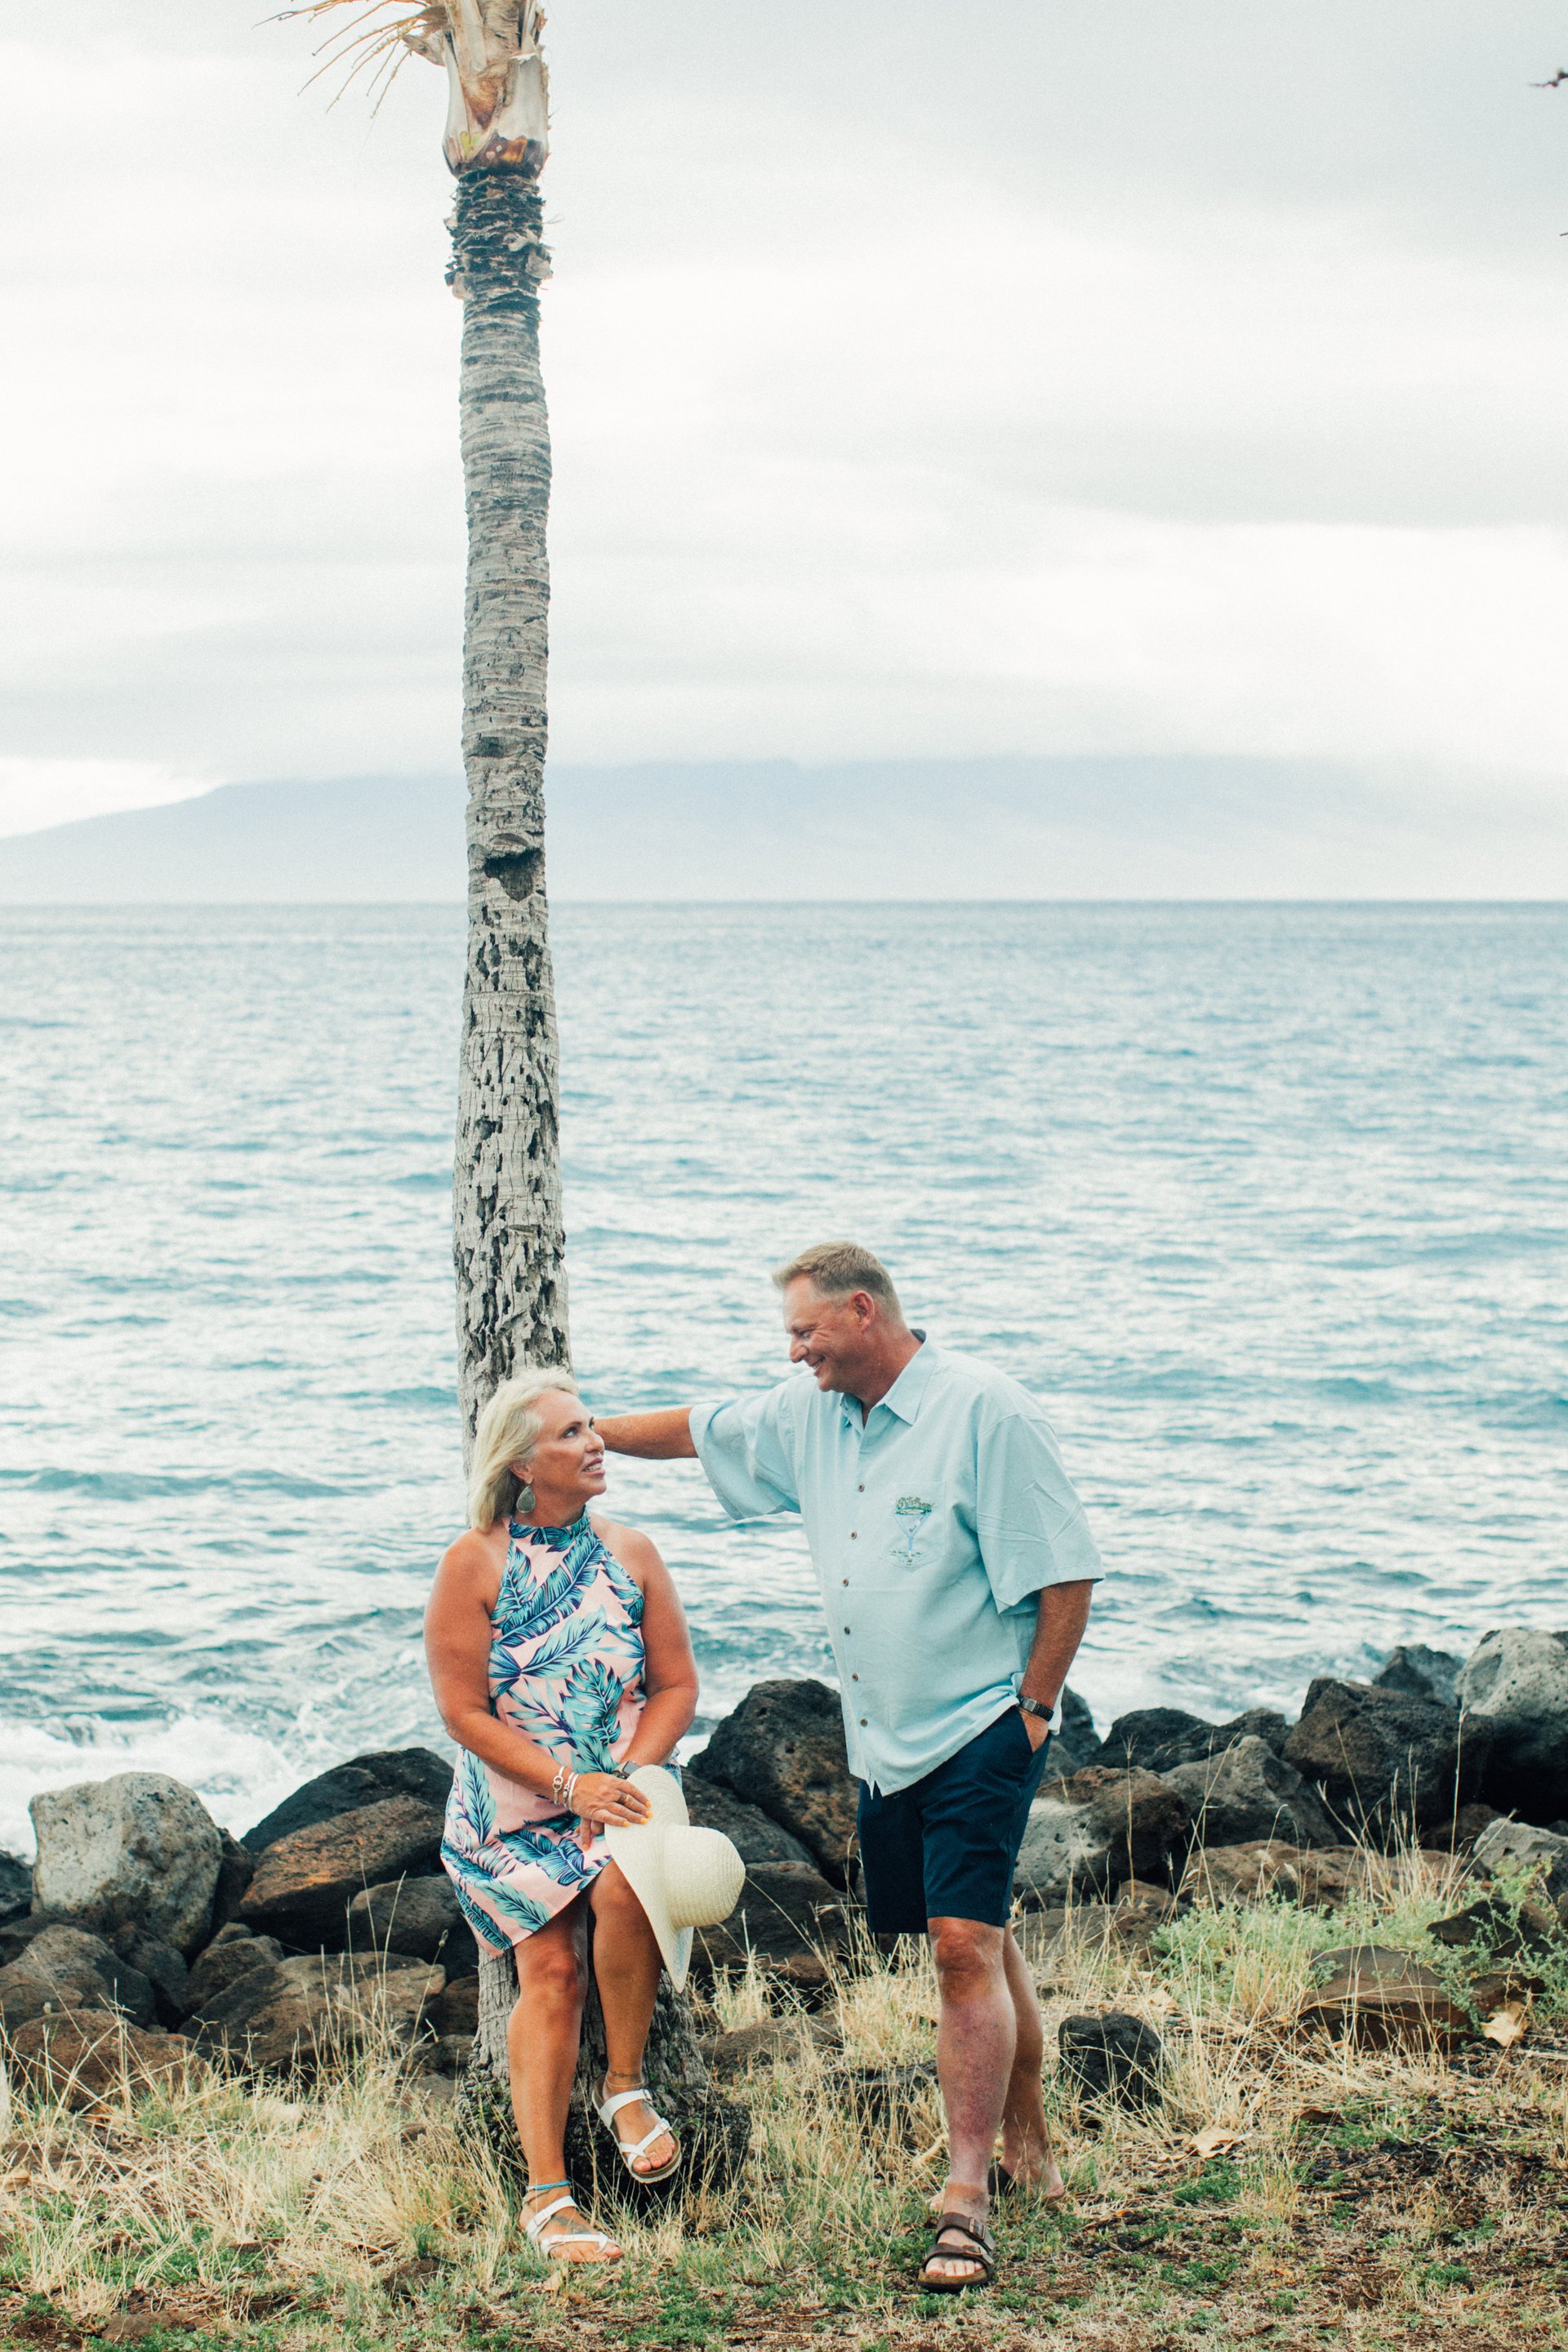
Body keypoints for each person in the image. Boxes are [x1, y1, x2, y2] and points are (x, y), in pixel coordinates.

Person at [596, 1241, 1101, 2294]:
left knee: (959, 1949)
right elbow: (697, 1428)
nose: (794, 1354)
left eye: (805, 1332)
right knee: (978, 1935)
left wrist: (1034, 1709)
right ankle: (1031, 2141)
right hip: (880, 1739)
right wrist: (578, 1434)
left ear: (862, 1311)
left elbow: (1065, 1572)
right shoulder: (810, 1415)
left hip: (982, 1725)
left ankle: (965, 2201)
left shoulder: (985, 1411)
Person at [425, 1370, 700, 2266]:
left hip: (622, 1785)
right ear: (521, 1464)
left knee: (626, 1889)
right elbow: (462, 1713)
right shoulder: (474, 1561)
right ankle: (547, 2198)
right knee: (552, 1971)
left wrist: (620, 1776)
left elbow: (676, 1686)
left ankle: (625, 2086)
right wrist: (566, 1784)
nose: (596, 1442)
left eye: (592, 1426)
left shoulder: (634, 1553)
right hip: (512, 1804)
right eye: (571, 1433)